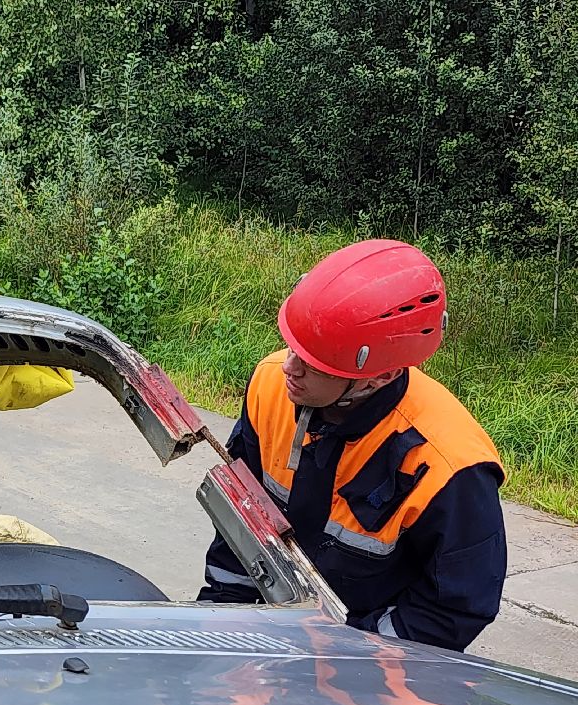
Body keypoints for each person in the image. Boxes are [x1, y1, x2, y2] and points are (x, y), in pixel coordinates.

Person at [198, 239, 506, 652]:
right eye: (293, 346)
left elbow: (452, 609)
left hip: (365, 665)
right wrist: (218, 625)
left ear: (378, 377)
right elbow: (243, 520)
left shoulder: (448, 465)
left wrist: (348, 661)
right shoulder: (271, 386)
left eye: (314, 363)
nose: (289, 367)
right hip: (274, 635)